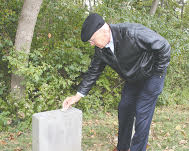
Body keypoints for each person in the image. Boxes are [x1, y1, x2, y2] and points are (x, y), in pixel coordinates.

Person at [62, 13, 171, 151]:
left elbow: (164, 46)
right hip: (133, 78)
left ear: (104, 31)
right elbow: (93, 71)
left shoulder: (132, 33)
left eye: (92, 40)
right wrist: (77, 96)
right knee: (124, 108)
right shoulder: (101, 50)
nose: (91, 44)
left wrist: (158, 73)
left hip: (152, 75)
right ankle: (122, 148)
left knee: (142, 113)